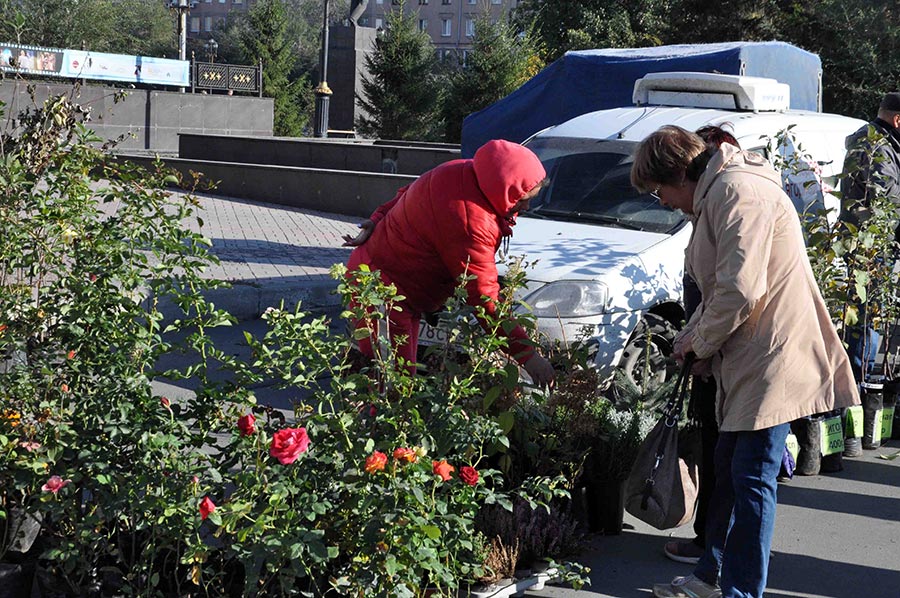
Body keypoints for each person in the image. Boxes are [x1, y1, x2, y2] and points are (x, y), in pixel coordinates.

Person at [631, 125, 859, 598]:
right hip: (753, 352)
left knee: (752, 479)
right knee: (733, 472)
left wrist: (700, 343)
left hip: (772, 354)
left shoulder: (737, 192)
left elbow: (738, 290)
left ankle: (739, 591)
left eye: (659, 192)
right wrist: (692, 339)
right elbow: (722, 289)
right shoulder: (723, 190)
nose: (665, 203)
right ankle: (713, 575)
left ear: (678, 174)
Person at [342, 139, 556, 387]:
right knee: (391, 389)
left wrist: (377, 218)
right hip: (381, 291)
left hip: (395, 287)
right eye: (521, 200)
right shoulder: (472, 222)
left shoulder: (460, 171)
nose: (526, 207)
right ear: (503, 187)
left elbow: (407, 194)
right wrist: (528, 356)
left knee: (397, 384)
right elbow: (485, 301)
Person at [663, 125, 740, 566]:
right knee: (718, 452)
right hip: (710, 349)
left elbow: (733, 292)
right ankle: (710, 544)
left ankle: (714, 552)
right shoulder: (710, 206)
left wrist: (702, 345)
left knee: (730, 460)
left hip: (725, 353)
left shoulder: (727, 201)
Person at [838, 92, 900, 383]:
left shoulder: (883, 143)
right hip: (870, 247)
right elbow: (884, 200)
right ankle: (859, 385)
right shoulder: (874, 144)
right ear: (897, 120)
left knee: (872, 315)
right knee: (867, 317)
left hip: (875, 244)